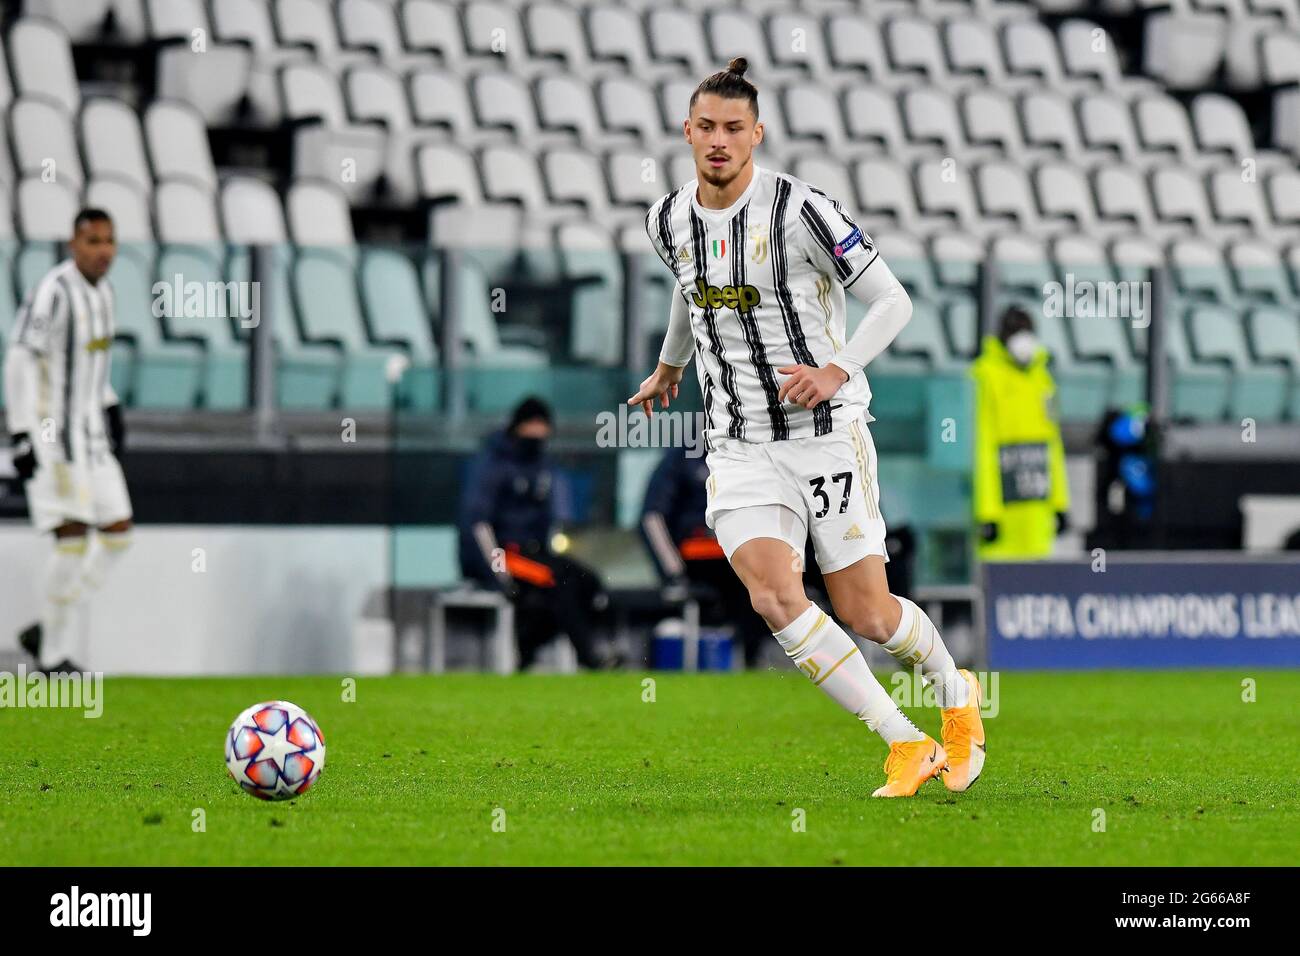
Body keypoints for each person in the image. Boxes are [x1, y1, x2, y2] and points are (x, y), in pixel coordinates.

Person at [629, 59, 985, 797]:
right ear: (685, 132)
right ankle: (904, 742)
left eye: (735, 128)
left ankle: (955, 694)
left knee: (868, 612)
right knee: (772, 594)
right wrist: (669, 368)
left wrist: (838, 369)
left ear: (757, 135)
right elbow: (690, 291)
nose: (719, 141)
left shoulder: (802, 210)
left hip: (825, 435)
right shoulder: (667, 219)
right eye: (707, 128)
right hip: (738, 443)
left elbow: (894, 302)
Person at [4, 208, 133, 673]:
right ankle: (54, 655)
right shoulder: (52, 293)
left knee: (118, 533)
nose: (104, 251)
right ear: (73, 244)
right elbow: (20, 361)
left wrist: (111, 404)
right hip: (53, 439)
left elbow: (92, 364)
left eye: (109, 241)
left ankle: (47, 625)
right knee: (73, 538)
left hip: (92, 438)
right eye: (93, 241)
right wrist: (20, 432)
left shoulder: (106, 294)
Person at [457, 397, 613, 670]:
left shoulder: (544, 466)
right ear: (518, 426)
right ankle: (590, 658)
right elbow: (477, 523)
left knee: (587, 581)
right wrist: (498, 572)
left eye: (543, 426)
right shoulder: (492, 464)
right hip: (506, 554)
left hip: (536, 553)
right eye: (532, 425)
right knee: (557, 581)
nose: (538, 433)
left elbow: (556, 517)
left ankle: (531, 646)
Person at [641, 445, 771, 668]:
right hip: (699, 559)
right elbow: (652, 516)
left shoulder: (751, 451)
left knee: (760, 587)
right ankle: (741, 657)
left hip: (743, 555)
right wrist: (673, 572)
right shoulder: (684, 456)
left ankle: (749, 657)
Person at [971, 306, 1071, 560]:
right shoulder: (984, 376)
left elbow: (1052, 445)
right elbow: (980, 447)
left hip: (1037, 514)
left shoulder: (1042, 379)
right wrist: (987, 512)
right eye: (1016, 332)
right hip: (1002, 518)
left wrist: (1060, 504)